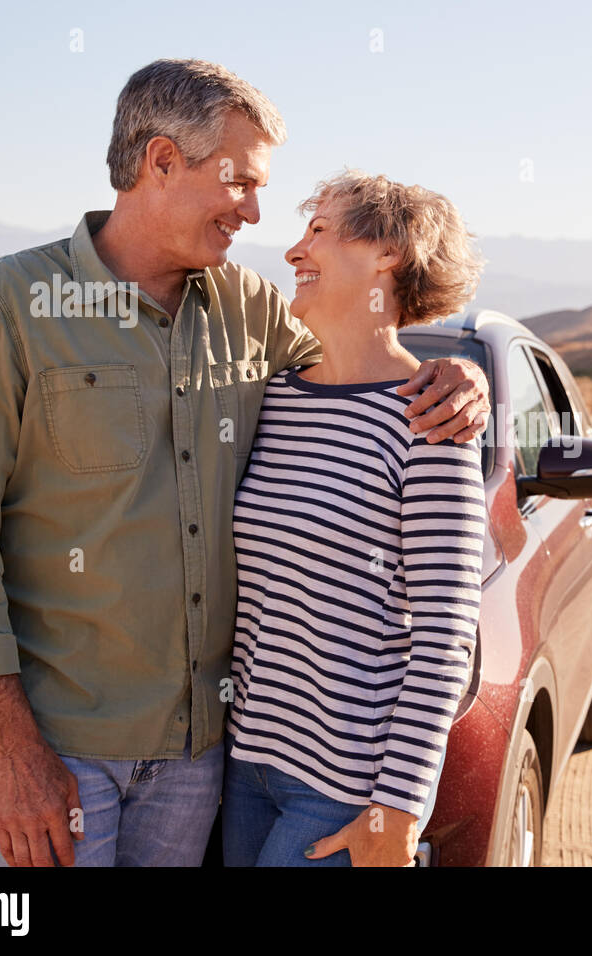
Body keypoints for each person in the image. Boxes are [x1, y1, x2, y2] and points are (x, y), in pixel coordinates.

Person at [0, 59, 490, 867]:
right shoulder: (6, 303)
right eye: (240, 183)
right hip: (57, 744)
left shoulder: (248, 308)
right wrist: (8, 744)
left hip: (203, 759)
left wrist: (459, 375)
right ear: (162, 161)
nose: (255, 213)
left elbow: (362, 360)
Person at [222, 169, 486, 867]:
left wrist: (397, 812)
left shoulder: (429, 421)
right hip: (245, 765)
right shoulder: (272, 399)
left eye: (318, 230)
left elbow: (445, 638)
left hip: (343, 791)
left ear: (387, 254)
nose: (292, 251)